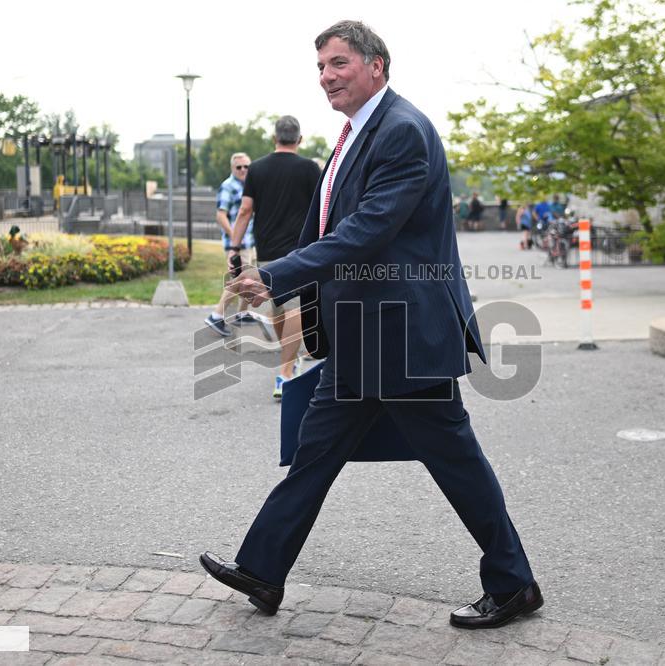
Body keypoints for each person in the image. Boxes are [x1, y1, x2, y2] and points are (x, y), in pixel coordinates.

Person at [201, 19, 542, 631]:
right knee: (313, 454)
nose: (326, 77)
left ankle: (514, 585)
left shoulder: (402, 131)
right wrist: (283, 281)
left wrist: (279, 274)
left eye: (338, 64)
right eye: (321, 68)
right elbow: (327, 225)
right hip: (364, 334)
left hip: (405, 334)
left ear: (375, 66)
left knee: (456, 461)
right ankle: (262, 569)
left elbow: (367, 232)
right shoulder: (355, 134)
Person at [228, 116, 322, 399]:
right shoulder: (309, 169)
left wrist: (233, 248)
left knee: (282, 309)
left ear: (274, 138)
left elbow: (245, 211)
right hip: (301, 252)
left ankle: (287, 366)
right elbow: (322, 208)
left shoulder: (257, 169)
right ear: (299, 139)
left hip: (268, 252)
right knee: (290, 311)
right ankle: (286, 369)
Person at [205, 153, 257, 336]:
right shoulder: (228, 186)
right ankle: (216, 316)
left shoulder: (248, 185)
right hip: (238, 243)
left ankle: (242, 313)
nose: (243, 170)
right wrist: (236, 238)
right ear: (232, 168)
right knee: (238, 280)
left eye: (246, 167)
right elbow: (220, 215)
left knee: (249, 278)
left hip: (249, 241)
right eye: (239, 167)